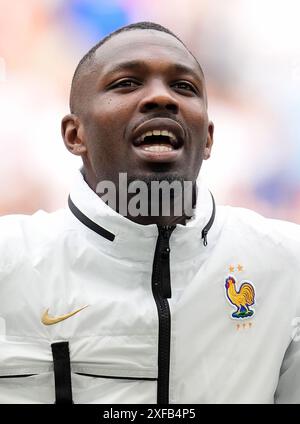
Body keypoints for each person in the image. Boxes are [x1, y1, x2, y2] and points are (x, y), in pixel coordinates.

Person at [0, 21, 299, 405]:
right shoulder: (9, 262)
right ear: (76, 135)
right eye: (126, 83)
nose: (162, 98)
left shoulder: (287, 264)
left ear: (207, 138)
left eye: (183, 87)